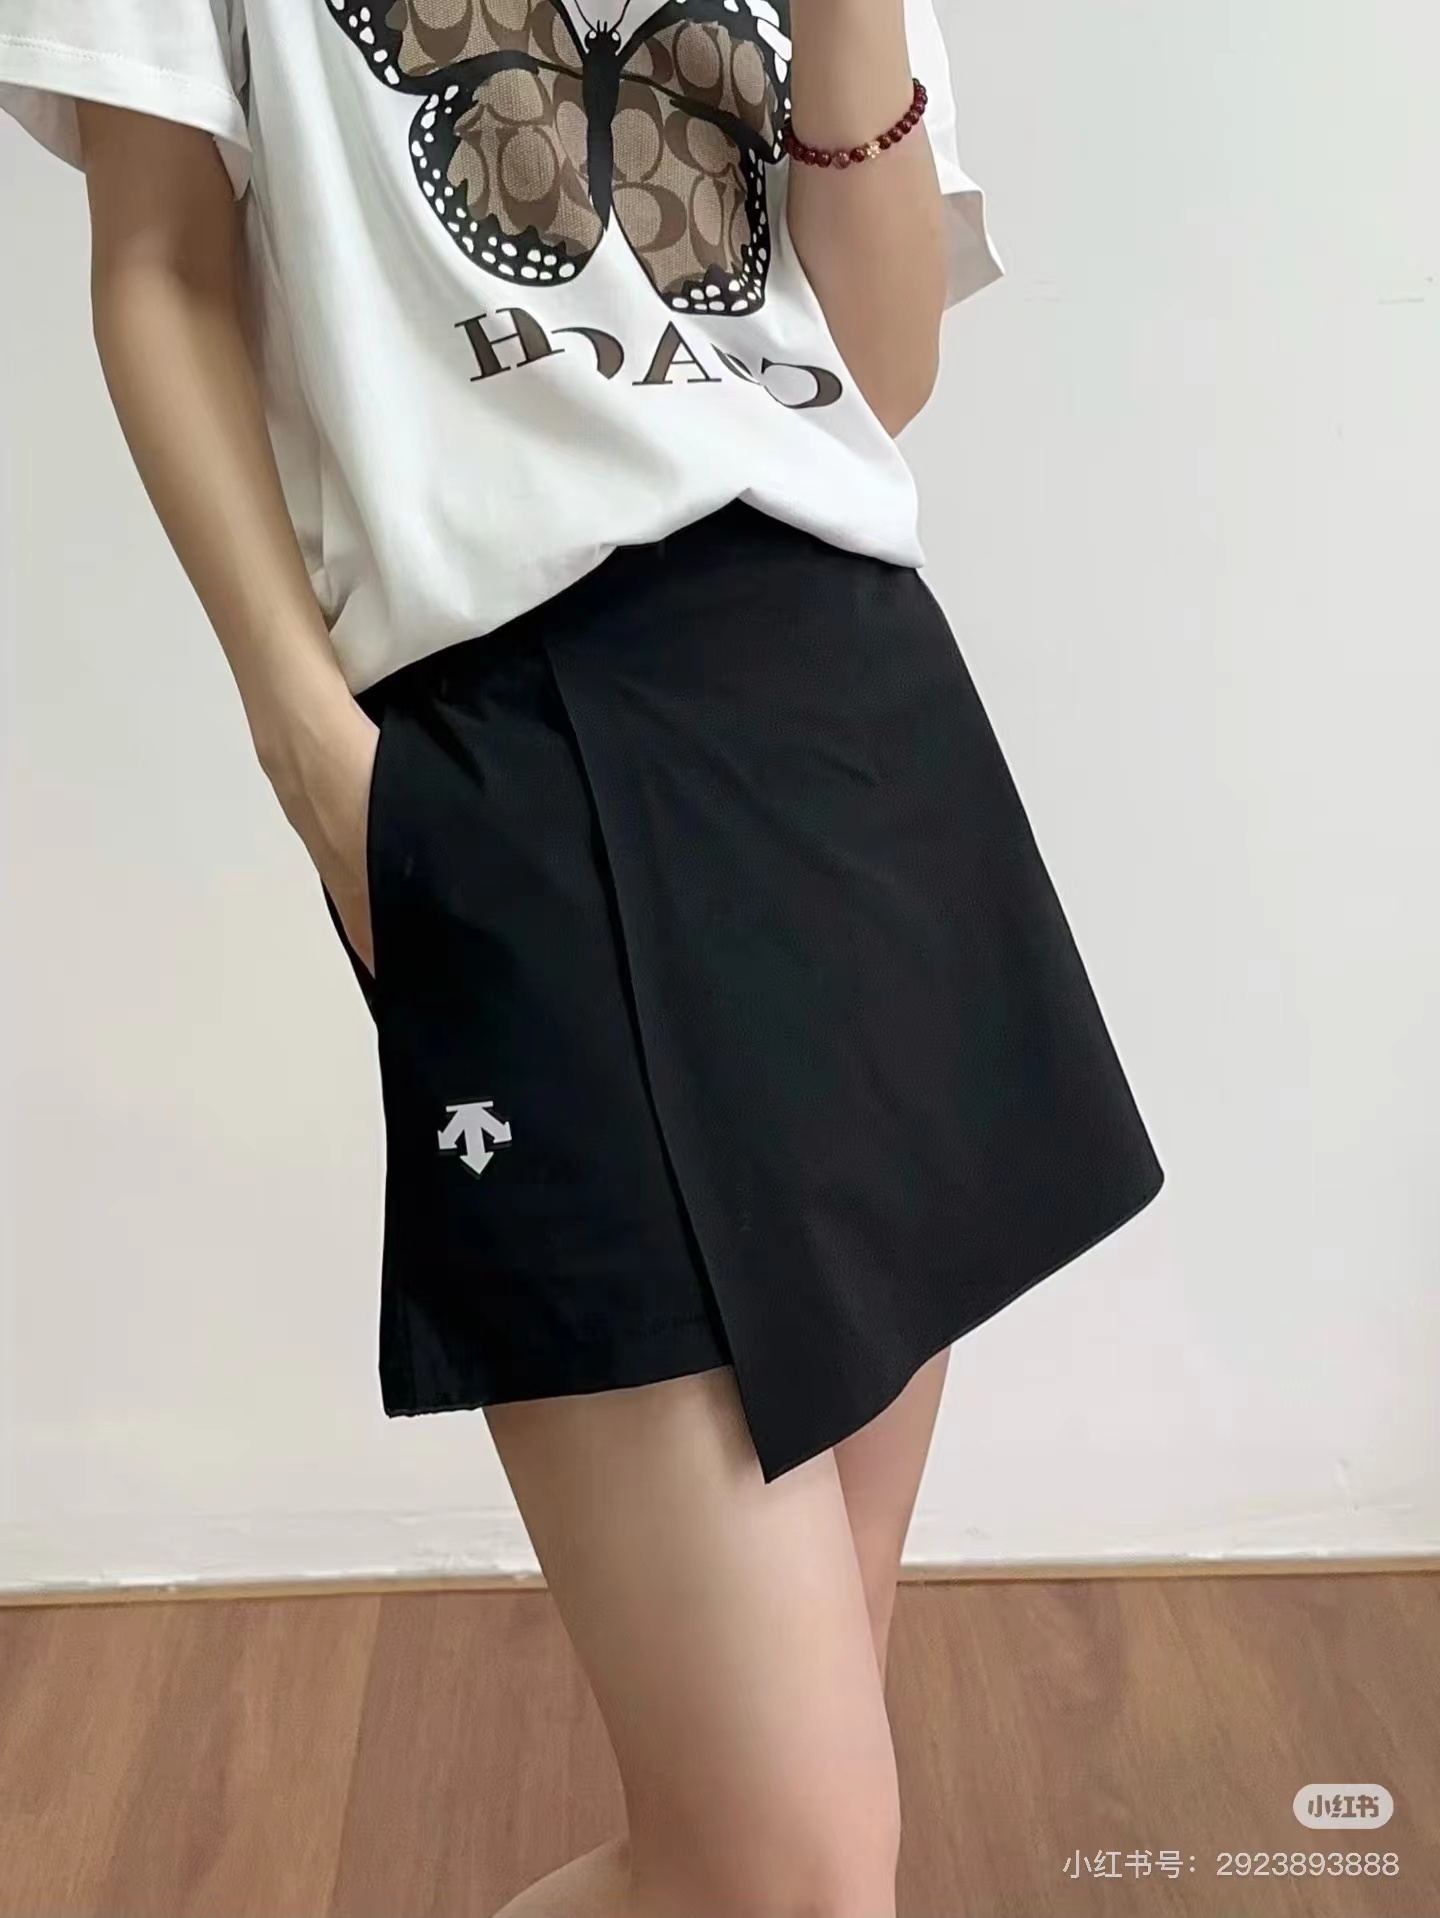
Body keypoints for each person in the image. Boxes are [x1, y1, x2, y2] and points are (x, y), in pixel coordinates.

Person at [0, 2, 1164, 1912]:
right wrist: (317, 756)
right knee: (788, 1863)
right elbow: (158, 262)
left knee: (801, 1827)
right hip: (510, 746)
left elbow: (873, 368)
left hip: (856, 725)